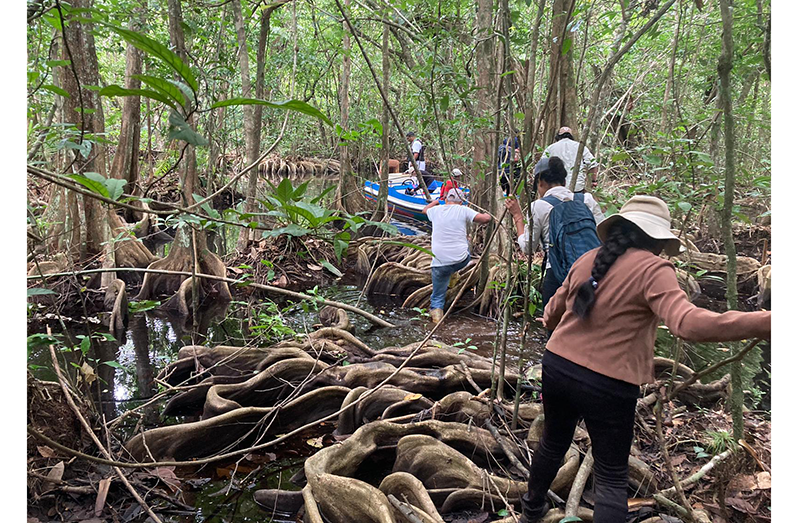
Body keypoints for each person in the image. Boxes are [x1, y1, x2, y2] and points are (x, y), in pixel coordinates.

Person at [519, 195, 771, 523]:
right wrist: (766, 321)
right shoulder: (654, 268)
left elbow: (552, 314)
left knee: (553, 443)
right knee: (610, 475)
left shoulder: (589, 259)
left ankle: (531, 512)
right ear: (658, 240)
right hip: (608, 384)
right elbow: (687, 323)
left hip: (557, 367)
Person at [505, 156, 604, 311]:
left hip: (558, 275)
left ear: (540, 182)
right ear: (564, 181)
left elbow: (528, 248)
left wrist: (517, 217)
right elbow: (603, 235)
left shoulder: (538, 206)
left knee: (555, 330)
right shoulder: (587, 199)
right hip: (593, 272)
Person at [422, 188, 492, 324]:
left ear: (447, 199)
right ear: (461, 201)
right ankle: (453, 273)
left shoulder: (436, 210)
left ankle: (437, 323)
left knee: (437, 297)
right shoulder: (463, 210)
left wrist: (436, 201)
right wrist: (489, 213)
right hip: (460, 260)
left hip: (439, 263)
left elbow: (424, 210)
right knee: (467, 242)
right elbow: (485, 219)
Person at [542, 126, 598, 193]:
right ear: (571, 136)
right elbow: (593, 164)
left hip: (556, 187)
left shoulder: (550, 148)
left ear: (558, 136)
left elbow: (542, 165)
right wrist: (594, 181)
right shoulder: (580, 147)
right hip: (577, 187)